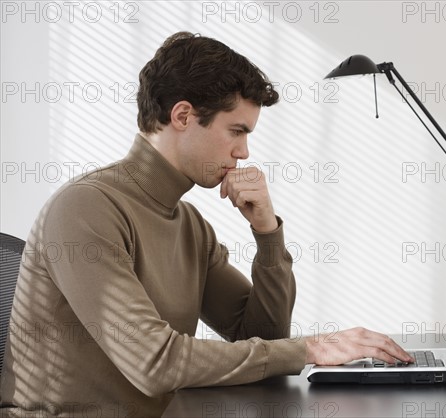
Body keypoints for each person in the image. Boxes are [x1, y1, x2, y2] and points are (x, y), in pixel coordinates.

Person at [0, 32, 412, 416]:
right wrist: (310, 349)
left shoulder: (189, 224)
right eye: (236, 131)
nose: (244, 152)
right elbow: (155, 363)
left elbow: (262, 336)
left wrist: (268, 234)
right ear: (182, 115)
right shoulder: (86, 209)